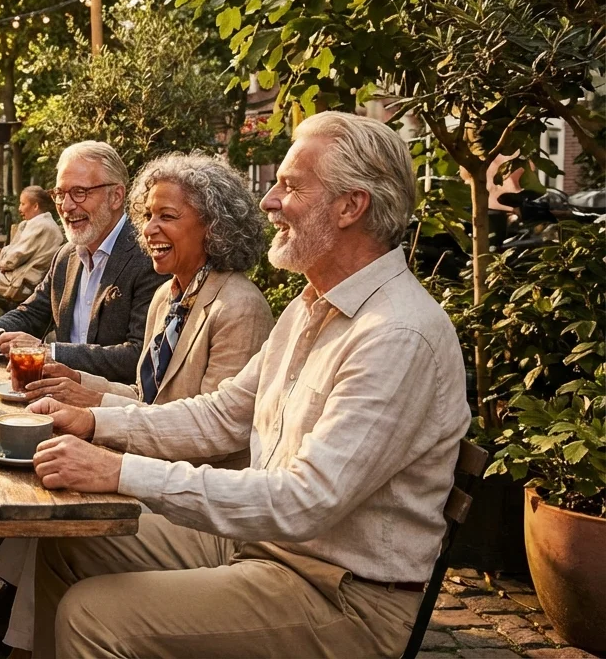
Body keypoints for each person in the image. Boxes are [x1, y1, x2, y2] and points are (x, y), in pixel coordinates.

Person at [27, 112, 471, 658]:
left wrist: (118, 469)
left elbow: (304, 501)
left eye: (290, 186)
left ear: (350, 206)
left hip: (340, 595)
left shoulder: (398, 335)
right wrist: (96, 420)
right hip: (266, 548)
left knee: (93, 616)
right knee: (66, 543)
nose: (269, 202)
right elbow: (221, 413)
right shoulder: (311, 307)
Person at [0, 152, 276, 657]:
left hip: (197, 500)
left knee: (57, 517)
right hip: (158, 471)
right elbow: (149, 395)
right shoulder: (171, 297)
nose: (150, 229)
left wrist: (94, 422)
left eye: (168, 217)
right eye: (148, 216)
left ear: (214, 226)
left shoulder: (238, 306)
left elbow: (214, 431)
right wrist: (78, 379)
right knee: (52, 521)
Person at [0, 141, 167, 383]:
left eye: (79, 192)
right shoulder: (67, 255)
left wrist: (51, 353)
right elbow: (32, 314)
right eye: (59, 194)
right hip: (58, 395)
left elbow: (139, 356)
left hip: (115, 407)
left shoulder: (148, 255)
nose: (66, 206)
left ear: (116, 196)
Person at [0, 185, 66, 306]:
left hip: (22, 284)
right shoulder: (41, 224)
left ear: (35, 206)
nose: (19, 208)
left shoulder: (40, 225)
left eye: (23, 204)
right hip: (22, 279)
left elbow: (11, 259)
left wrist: (3, 261)